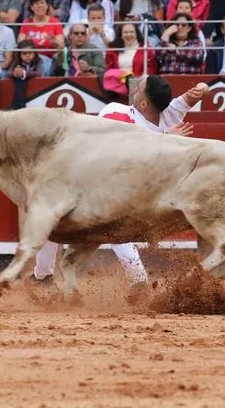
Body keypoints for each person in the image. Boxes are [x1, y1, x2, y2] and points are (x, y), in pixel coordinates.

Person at [31, 76, 205, 293]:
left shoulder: (118, 113)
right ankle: (44, 275)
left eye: (139, 89)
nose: (135, 90)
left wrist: (166, 137)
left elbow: (123, 151)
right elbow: (187, 100)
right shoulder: (164, 119)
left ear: (144, 103)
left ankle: (43, 276)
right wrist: (201, 88)